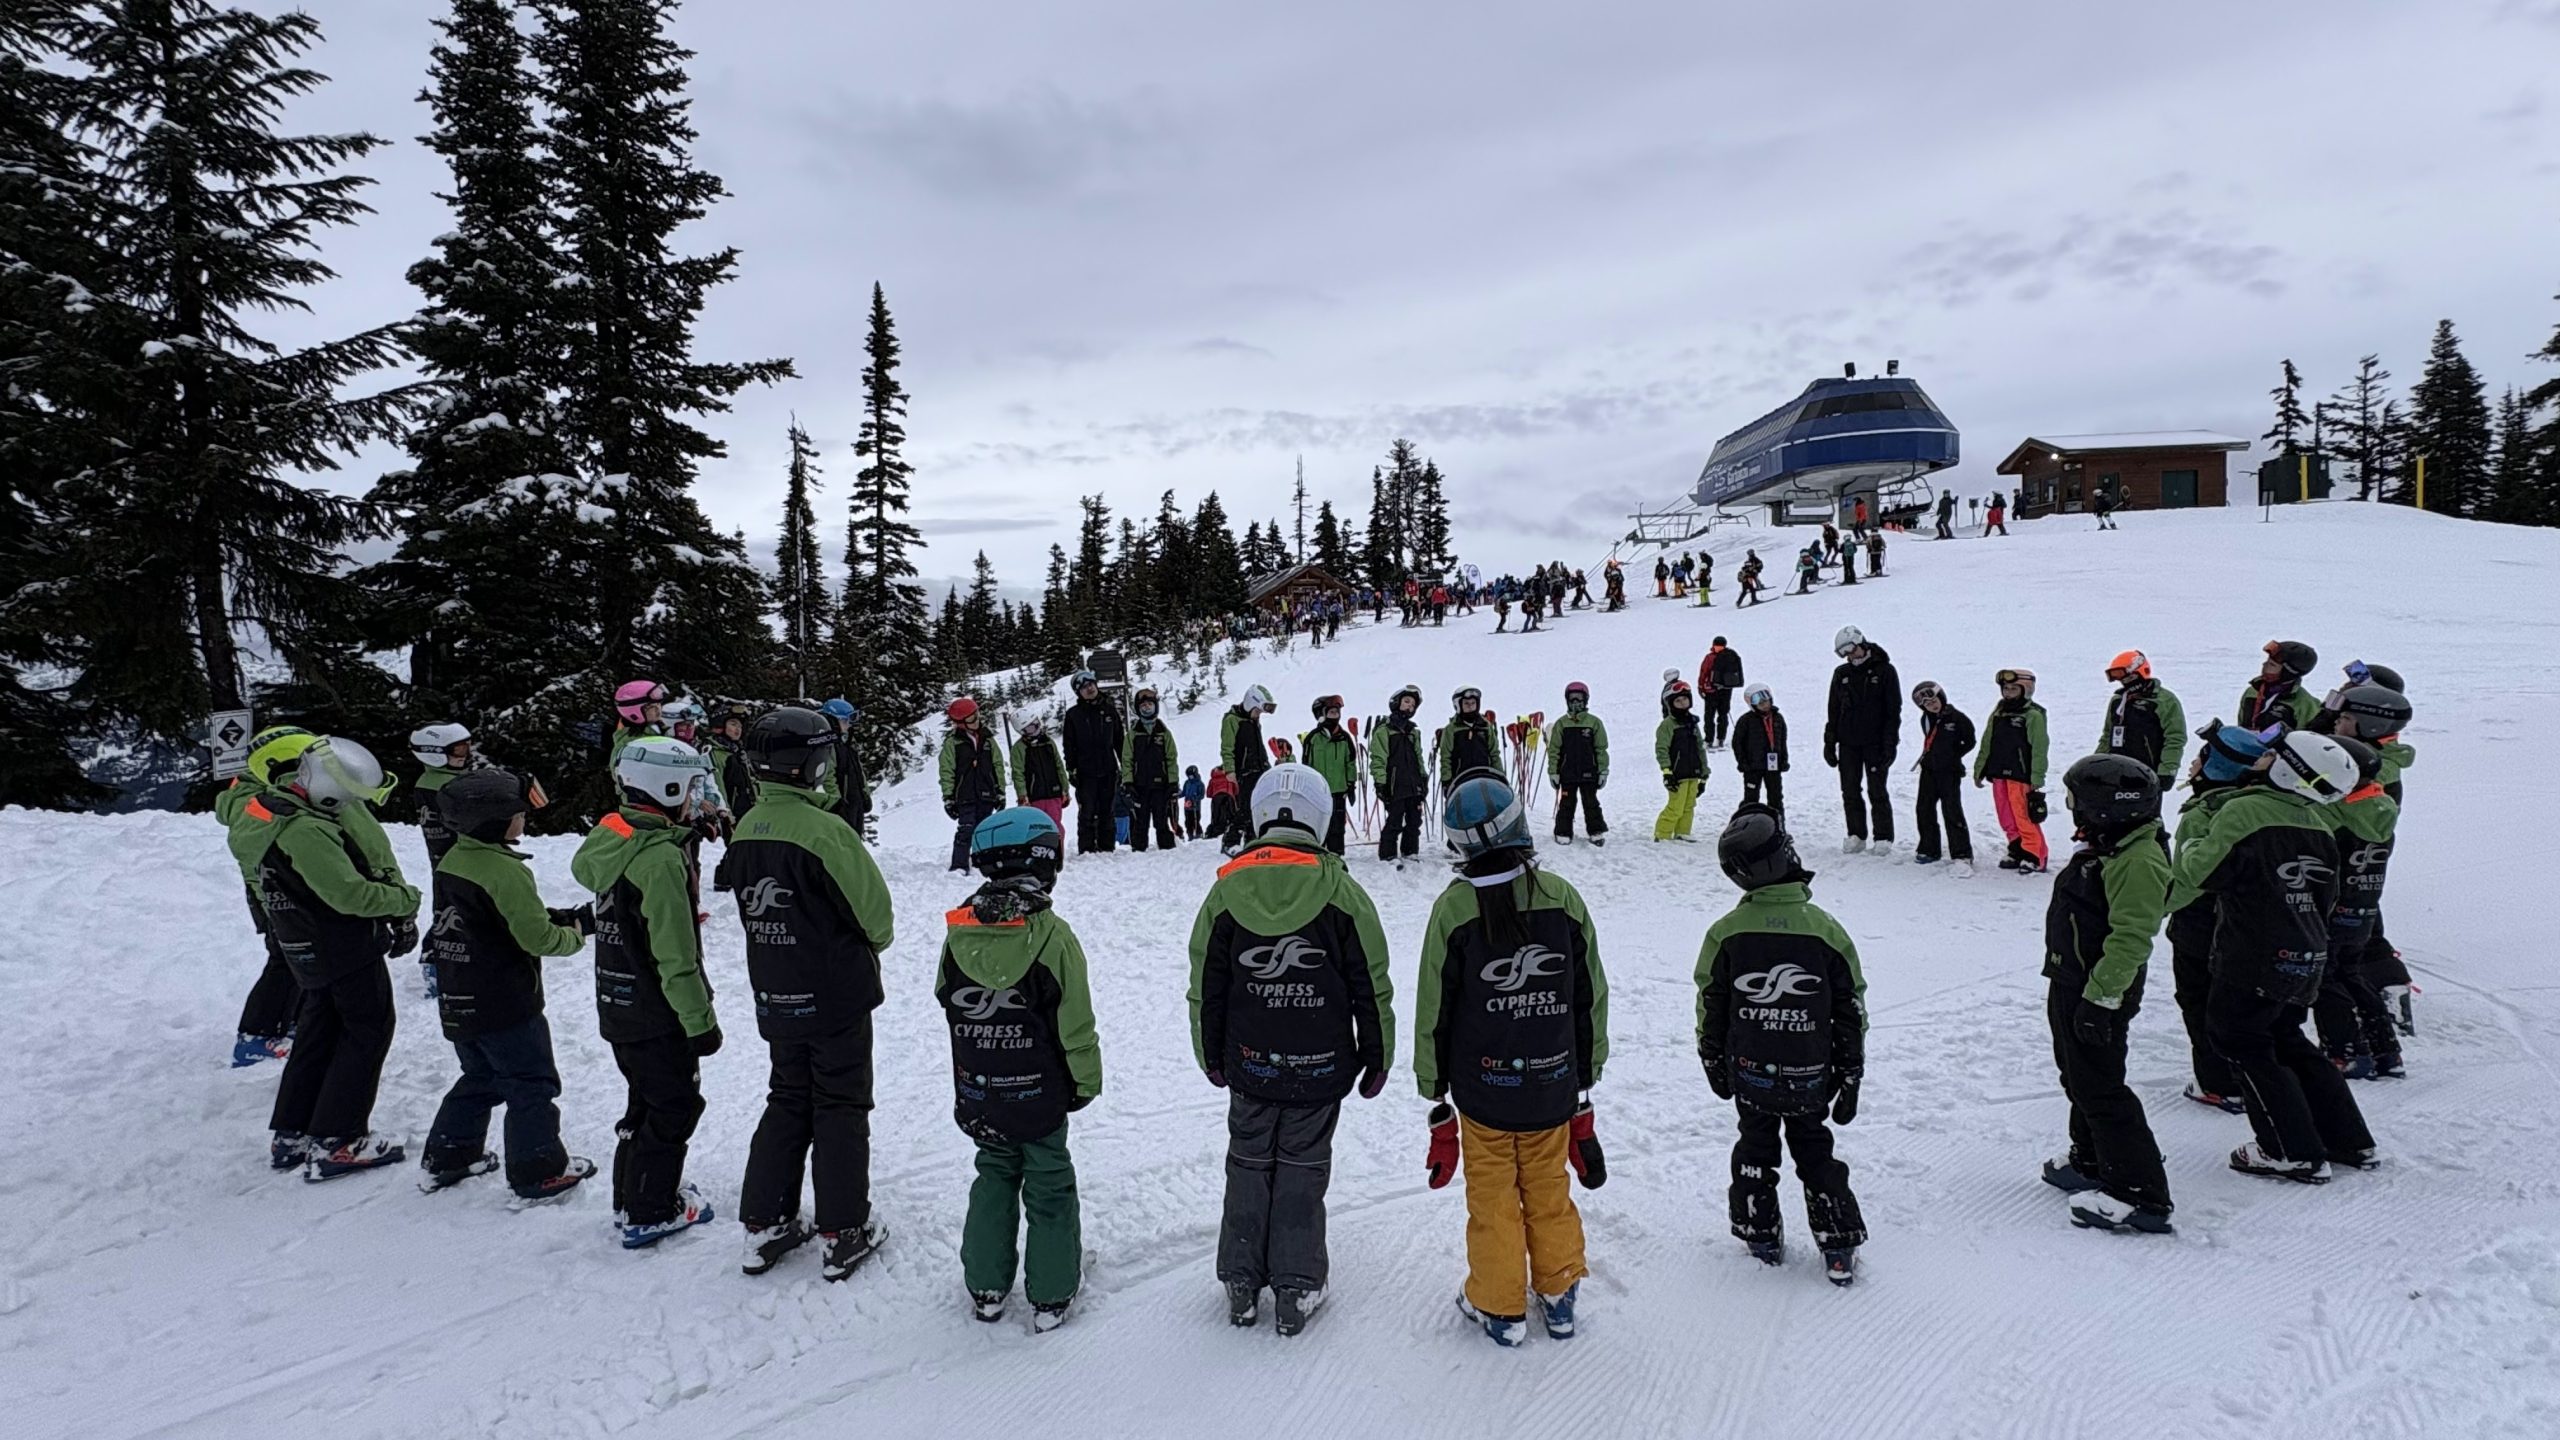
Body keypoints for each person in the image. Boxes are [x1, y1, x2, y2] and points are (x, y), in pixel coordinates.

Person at [1189, 765, 1394, 1334]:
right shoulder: (1342, 893)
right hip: (1318, 1065)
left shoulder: (1227, 891)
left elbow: (1207, 982)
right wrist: (1377, 1053)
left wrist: (1210, 1052)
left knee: (1249, 1160)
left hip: (1250, 1062)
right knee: (1302, 1166)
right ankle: (1296, 1285)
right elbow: (1371, 983)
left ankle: (1241, 1278)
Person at [1416, 776, 1608, 1346]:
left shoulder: (1454, 909)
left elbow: (1434, 1006)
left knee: (1493, 1198)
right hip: (1551, 1083)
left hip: (1484, 1093)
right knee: (1548, 1187)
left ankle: (1499, 1306)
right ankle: (1559, 1291)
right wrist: (1585, 1073)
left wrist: (1434, 1087)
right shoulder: (1560, 897)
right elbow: (1588, 994)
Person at [726, 707, 897, 1281]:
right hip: (834, 994)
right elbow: (875, 915)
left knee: (787, 1098)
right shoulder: (824, 831)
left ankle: (764, 1221)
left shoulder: (747, 827)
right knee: (840, 1103)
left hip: (778, 990)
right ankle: (843, 1229)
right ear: (812, 764)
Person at [2181, 731, 2375, 1184]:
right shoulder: (2318, 822)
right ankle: (2348, 1139)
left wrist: (2191, 843)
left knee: (2240, 1039)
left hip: (2253, 951)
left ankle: (2289, 1150)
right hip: (2307, 951)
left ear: (2289, 770)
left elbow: (2200, 872)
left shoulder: (2245, 810)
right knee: (2286, 1038)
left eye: (2273, 755)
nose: (2263, 756)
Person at [937, 807, 1100, 1332]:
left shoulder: (958, 935)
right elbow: (1075, 1023)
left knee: (994, 1171)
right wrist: (1085, 1081)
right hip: (1039, 1090)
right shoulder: (1052, 937)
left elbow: (948, 1000)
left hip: (982, 1086)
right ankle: (1052, 1290)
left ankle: (986, 1285)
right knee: (1049, 1181)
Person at [1696, 804, 1866, 1282]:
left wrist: (1711, 1054)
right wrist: (1851, 1068)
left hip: (1751, 1072)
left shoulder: (1727, 933)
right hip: (1809, 1074)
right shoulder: (1824, 930)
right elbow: (1851, 1007)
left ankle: (1760, 1232)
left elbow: (1710, 1003)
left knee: (1755, 1147)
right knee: (1814, 1150)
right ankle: (1837, 1243)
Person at [419, 767, 596, 1203]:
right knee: (530, 1082)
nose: (524, 820)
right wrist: (573, 934)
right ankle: (539, 1169)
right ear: (493, 822)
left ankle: (450, 1154)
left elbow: (487, 918)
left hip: (460, 995)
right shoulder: (503, 870)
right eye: (518, 814)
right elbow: (537, 939)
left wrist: (555, 915)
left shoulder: (456, 859)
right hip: (505, 1001)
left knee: (481, 1075)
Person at [575, 736, 723, 1247]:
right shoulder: (659, 860)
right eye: (690, 787)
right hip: (659, 1010)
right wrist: (699, 1021)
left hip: (619, 1002)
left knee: (644, 1099)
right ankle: (650, 1209)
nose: (695, 797)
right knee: (675, 1106)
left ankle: (630, 1194)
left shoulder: (616, 834)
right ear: (669, 788)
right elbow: (675, 954)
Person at [249, 737, 420, 1181]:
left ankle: (294, 1131)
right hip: (341, 945)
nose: (349, 805)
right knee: (367, 1030)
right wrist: (403, 900)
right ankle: (339, 1138)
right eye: (346, 796)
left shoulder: (278, 811)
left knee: (319, 1031)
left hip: (307, 943)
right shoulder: (307, 830)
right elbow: (348, 894)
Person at [2038, 757, 2174, 1234]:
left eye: (2076, 801)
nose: (2070, 809)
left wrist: (2101, 1000)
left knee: (2101, 1086)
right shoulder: (2114, 846)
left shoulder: (2137, 860)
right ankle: (2093, 1158)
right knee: (2077, 1075)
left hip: (2100, 987)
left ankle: (2141, 1194)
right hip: (2075, 978)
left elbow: (2132, 937)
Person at [2166, 723, 2269, 1114]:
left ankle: (2218, 1083)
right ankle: (2244, 1075)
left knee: (2197, 999)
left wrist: (2158, 907)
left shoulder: (2203, 814)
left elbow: (2189, 879)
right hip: (2243, 922)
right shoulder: (2257, 806)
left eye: (2201, 758)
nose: (2193, 764)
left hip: (2199, 922)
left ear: (2217, 767)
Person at [218, 727, 318, 1067]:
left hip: (277, 889)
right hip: (272, 891)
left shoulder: (256, 790)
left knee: (301, 959)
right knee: (285, 959)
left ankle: (289, 1023)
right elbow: (256, 853)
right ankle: (255, 1035)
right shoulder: (259, 800)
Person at [2311, 734, 2403, 1077]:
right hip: (2362, 909)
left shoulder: (2334, 815)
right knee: (2350, 972)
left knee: (2325, 977)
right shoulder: (2379, 809)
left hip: (2331, 909)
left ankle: (2345, 1050)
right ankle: (2385, 1050)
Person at [1824, 626, 1902, 854]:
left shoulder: (1884, 671)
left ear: (1861, 643)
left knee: (1877, 789)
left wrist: (1890, 743)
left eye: (1850, 649)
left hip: (1875, 742)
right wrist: (1830, 742)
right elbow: (1833, 710)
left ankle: (1883, 836)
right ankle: (1856, 834)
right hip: (1848, 742)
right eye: (1843, 652)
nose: (1849, 655)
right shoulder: (1842, 674)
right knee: (1849, 789)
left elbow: (1893, 710)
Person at [1974, 668, 2051, 873]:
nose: (2008, 693)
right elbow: (1987, 741)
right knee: (2006, 815)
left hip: (2021, 775)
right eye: (2006, 689)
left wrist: (2037, 776)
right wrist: (1980, 768)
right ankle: (2016, 848)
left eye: (2013, 689)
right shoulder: (1999, 713)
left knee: (2023, 815)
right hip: (1999, 773)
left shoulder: (2032, 715)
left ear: (2026, 690)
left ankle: (2034, 854)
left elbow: (2039, 748)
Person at [2095, 651, 2186, 795]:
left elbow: (2175, 738)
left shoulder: (2163, 701)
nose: (2125, 683)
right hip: (2115, 773)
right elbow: (2107, 736)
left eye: (2128, 678)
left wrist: (2167, 770)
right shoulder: (2117, 701)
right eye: (2121, 680)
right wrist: (2096, 764)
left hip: (2148, 774)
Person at [1910, 681, 1976, 871]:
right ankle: (1929, 848)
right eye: (1927, 704)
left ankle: (1962, 852)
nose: (1932, 706)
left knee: (1952, 810)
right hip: (1929, 770)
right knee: (1924, 808)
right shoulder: (1926, 719)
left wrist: (1954, 755)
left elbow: (1970, 740)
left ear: (1942, 697)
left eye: (1934, 701)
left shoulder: (1957, 718)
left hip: (1950, 771)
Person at [939, 697, 1009, 873]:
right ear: (960, 723)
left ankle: (985, 862)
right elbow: (947, 771)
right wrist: (948, 797)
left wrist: (1000, 791)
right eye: (971, 718)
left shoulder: (987, 740)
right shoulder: (953, 744)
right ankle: (959, 865)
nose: (977, 721)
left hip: (987, 792)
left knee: (985, 828)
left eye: (977, 715)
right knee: (967, 829)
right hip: (965, 795)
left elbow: (997, 765)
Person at [1062, 670, 1124, 856]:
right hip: (1085, 772)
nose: (1089, 689)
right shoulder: (1073, 715)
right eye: (1083, 688)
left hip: (1108, 769)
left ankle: (1107, 848)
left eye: (1090, 685)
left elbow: (1120, 741)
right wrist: (1071, 769)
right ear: (1078, 692)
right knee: (1087, 812)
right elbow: (1069, 745)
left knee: (1107, 810)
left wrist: (1125, 768)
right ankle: (1086, 850)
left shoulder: (1110, 711)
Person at [409, 722, 481, 872]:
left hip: (444, 863)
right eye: (460, 750)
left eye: (468, 748)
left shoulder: (425, 782)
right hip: (467, 862)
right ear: (434, 753)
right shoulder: (451, 787)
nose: (466, 755)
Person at [1547, 682, 1609, 846]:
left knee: (1591, 802)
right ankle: (1563, 831)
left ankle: (1596, 831)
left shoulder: (1594, 723)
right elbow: (1554, 750)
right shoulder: (1561, 724)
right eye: (1572, 698)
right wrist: (1553, 772)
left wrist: (1603, 771)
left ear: (1586, 700)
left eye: (1579, 698)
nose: (1576, 702)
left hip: (1589, 772)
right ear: (1567, 700)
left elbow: (1601, 749)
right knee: (1567, 803)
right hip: (1567, 773)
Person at [1373, 685, 1429, 864]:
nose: (1409, 707)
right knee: (1395, 820)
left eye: (1413, 705)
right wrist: (1380, 782)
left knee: (1414, 820)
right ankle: (1388, 854)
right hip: (1395, 784)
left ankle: (1410, 851)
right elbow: (1379, 758)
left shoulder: (1413, 732)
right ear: (1396, 702)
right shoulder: (1384, 730)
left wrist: (1423, 778)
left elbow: (1419, 757)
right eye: (1406, 702)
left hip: (1414, 783)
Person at [1298, 696, 1358, 855]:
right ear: (1321, 714)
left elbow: (1350, 763)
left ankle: (1337, 854)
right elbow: (1306, 765)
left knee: (1337, 825)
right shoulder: (1313, 738)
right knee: (1319, 823)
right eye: (1331, 712)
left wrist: (1351, 784)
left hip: (1339, 790)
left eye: (1337, 712)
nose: (1335, 715)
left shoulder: (1344, 738)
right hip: (1318, 791)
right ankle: (1318, 852)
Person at [1221, 685, 1276, 855]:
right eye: (1257, 711)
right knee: (1244, 808)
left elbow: (1258, 746)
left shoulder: (1253, 721)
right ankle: (1230, 840)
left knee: (1257, 806)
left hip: (1259, 769)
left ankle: (1252, 840)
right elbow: (1227, 747)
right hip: (1243, 771)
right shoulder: (1232, 720)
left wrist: (1266, 765)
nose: (1258, 715)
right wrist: (1230, 770)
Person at [1125, 687, 1181, 851]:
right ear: (1138, 709)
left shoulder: (1164, 733)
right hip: (1139, 785)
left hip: (1160, 785)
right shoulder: (1133, 734)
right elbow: (1127, 760)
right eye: (1143, 706)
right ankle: (1138, 849)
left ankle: (1167, 848)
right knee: (1140, 821)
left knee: (1161, 819)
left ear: (1155, 706)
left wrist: (1173, 782)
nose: (1147, 708)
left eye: (1150, 704)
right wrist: (1128, 782)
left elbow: (1171, 758)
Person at [1655, 679, 1707, 842]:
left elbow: (1700, 748)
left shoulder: (1693, 723)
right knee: (1676, 806)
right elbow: (1662, 749)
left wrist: (1704, 773)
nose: (1682, 703)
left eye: (1685, 699)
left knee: (1689, 805)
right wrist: (1667, 772)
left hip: (1693, 772)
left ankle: (1683, 832)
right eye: (1678, 701)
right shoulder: (1667, 725)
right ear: (1671, 704)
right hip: (1677, 774)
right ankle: (1662, 834)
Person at [1732, 685, 1790, 817]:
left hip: (1773, 766)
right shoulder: (1745, 721)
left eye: (1766, 701)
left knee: (1776, 798)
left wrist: (1783, 760)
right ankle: (1747, 822)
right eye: (1760, 703)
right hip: (1752, 767)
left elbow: (1782, 741)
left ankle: (1778, 823)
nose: (1764, 705)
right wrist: (1743, 762)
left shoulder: (1778, 718)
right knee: (1751, 798)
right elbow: (1737, 743)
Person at [2240, 640, 2322, 732]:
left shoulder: (2304, 703)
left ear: (2288, 673)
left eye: (2272, 665)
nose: (2264, 665)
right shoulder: (2252, 692)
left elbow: (2311, 736)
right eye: (2267, 661)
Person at [820, 699, 871, 836]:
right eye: (845, 721)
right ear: (832, 721)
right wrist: (836, 803)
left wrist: (865, 794)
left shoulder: (846, 743)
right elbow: (827, 777)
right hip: (842, 808)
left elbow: (858, 772)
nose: (848, 725)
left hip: (854, 804)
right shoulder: (828, 746)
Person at [1011, 717, 1070, 833]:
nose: (1037, 729)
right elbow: (1018, 773)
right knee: (1038, 828)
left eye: (1037, 724)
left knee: (1055, 825)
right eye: (1031, 728)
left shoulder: (1048, 742)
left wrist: (1065, 788)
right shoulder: (1019, 748)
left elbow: (1059, 765)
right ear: (1022, 731)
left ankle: (1058, 844)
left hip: (1053, 793)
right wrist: (1022, 795)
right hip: (1035, 796)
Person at [609, 680, 669, 771]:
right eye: (651, 707)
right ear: (635, 713)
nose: (658, 709)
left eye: (658, 704)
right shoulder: (630, 745)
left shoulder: (658, 728)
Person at [1697, 637, 1743, 748]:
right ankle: (1721, 739)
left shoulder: (1710, 658)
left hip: (1711, 691)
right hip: (1726, 690)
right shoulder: (1731, 656)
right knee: (1723, 715)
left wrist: (1701, 687)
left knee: (1709, 716)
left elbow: (1703, 672)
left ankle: (1709, 740)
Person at [1208, 766, 1240, 840]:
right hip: (1228, 796)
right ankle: (1230, 831)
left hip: (1216, 798)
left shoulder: (1213, 779)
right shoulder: (1230, 777)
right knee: (1231, 815)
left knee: (1216, 816)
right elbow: (1236, 790)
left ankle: (1216, 832)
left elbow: (1208, 793)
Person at [1181, 765, 1206, 839]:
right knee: (1187, 822)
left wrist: (1194, 799)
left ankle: (1199, 834)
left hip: (1195, 807)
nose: (1190, 778)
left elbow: (1202, 795)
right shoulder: (1187, 783)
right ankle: (1190, 835)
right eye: (1188, 776)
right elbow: (1184, 792)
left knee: (1195, 821)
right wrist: (1177, 795)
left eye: (1191, 776)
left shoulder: (1200, 784)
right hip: (1187, 807)